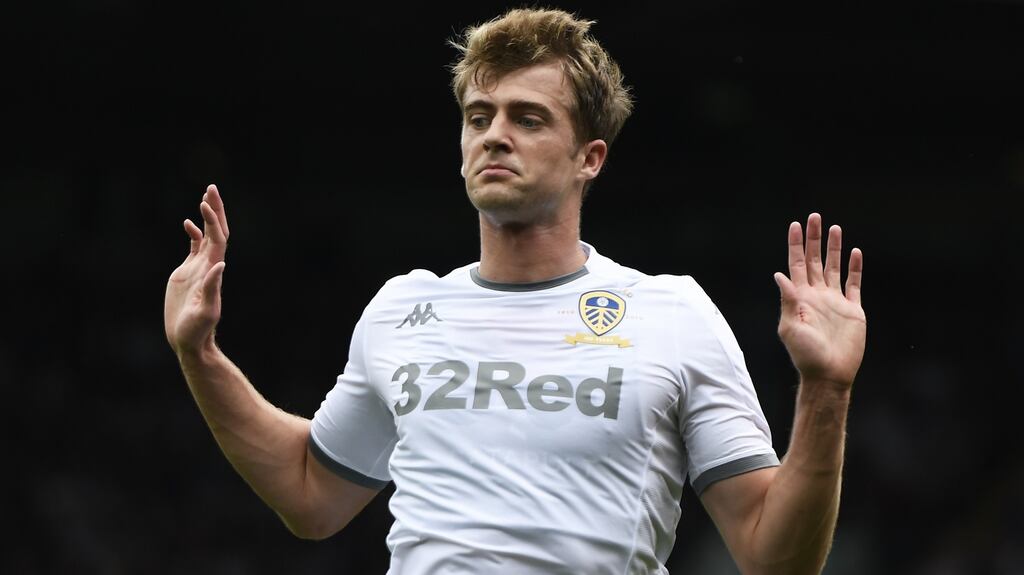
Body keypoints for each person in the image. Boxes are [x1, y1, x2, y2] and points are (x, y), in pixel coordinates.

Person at [164, 8, 866, 575]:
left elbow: (774, 557)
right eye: (479, 116)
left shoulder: (672, 314)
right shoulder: (402, 309)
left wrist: (825, 392)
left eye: (528, 118)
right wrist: (201, 355)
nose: (495, 136)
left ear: (589, 157)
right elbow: (311, 492)